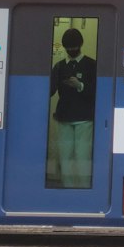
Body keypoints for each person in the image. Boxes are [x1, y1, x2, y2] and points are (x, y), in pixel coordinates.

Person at [51, 28, 97, 189]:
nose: (71, 51)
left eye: (73, 47)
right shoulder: (59, 66)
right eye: (68, 48)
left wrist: (80, 86)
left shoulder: (91, 65)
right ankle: (68, 189)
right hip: (64, 116)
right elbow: (50, 90)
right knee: (65, 157)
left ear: (80, 45)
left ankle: (84, 189)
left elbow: (98, 92)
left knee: (82, 156)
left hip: (85, 118)